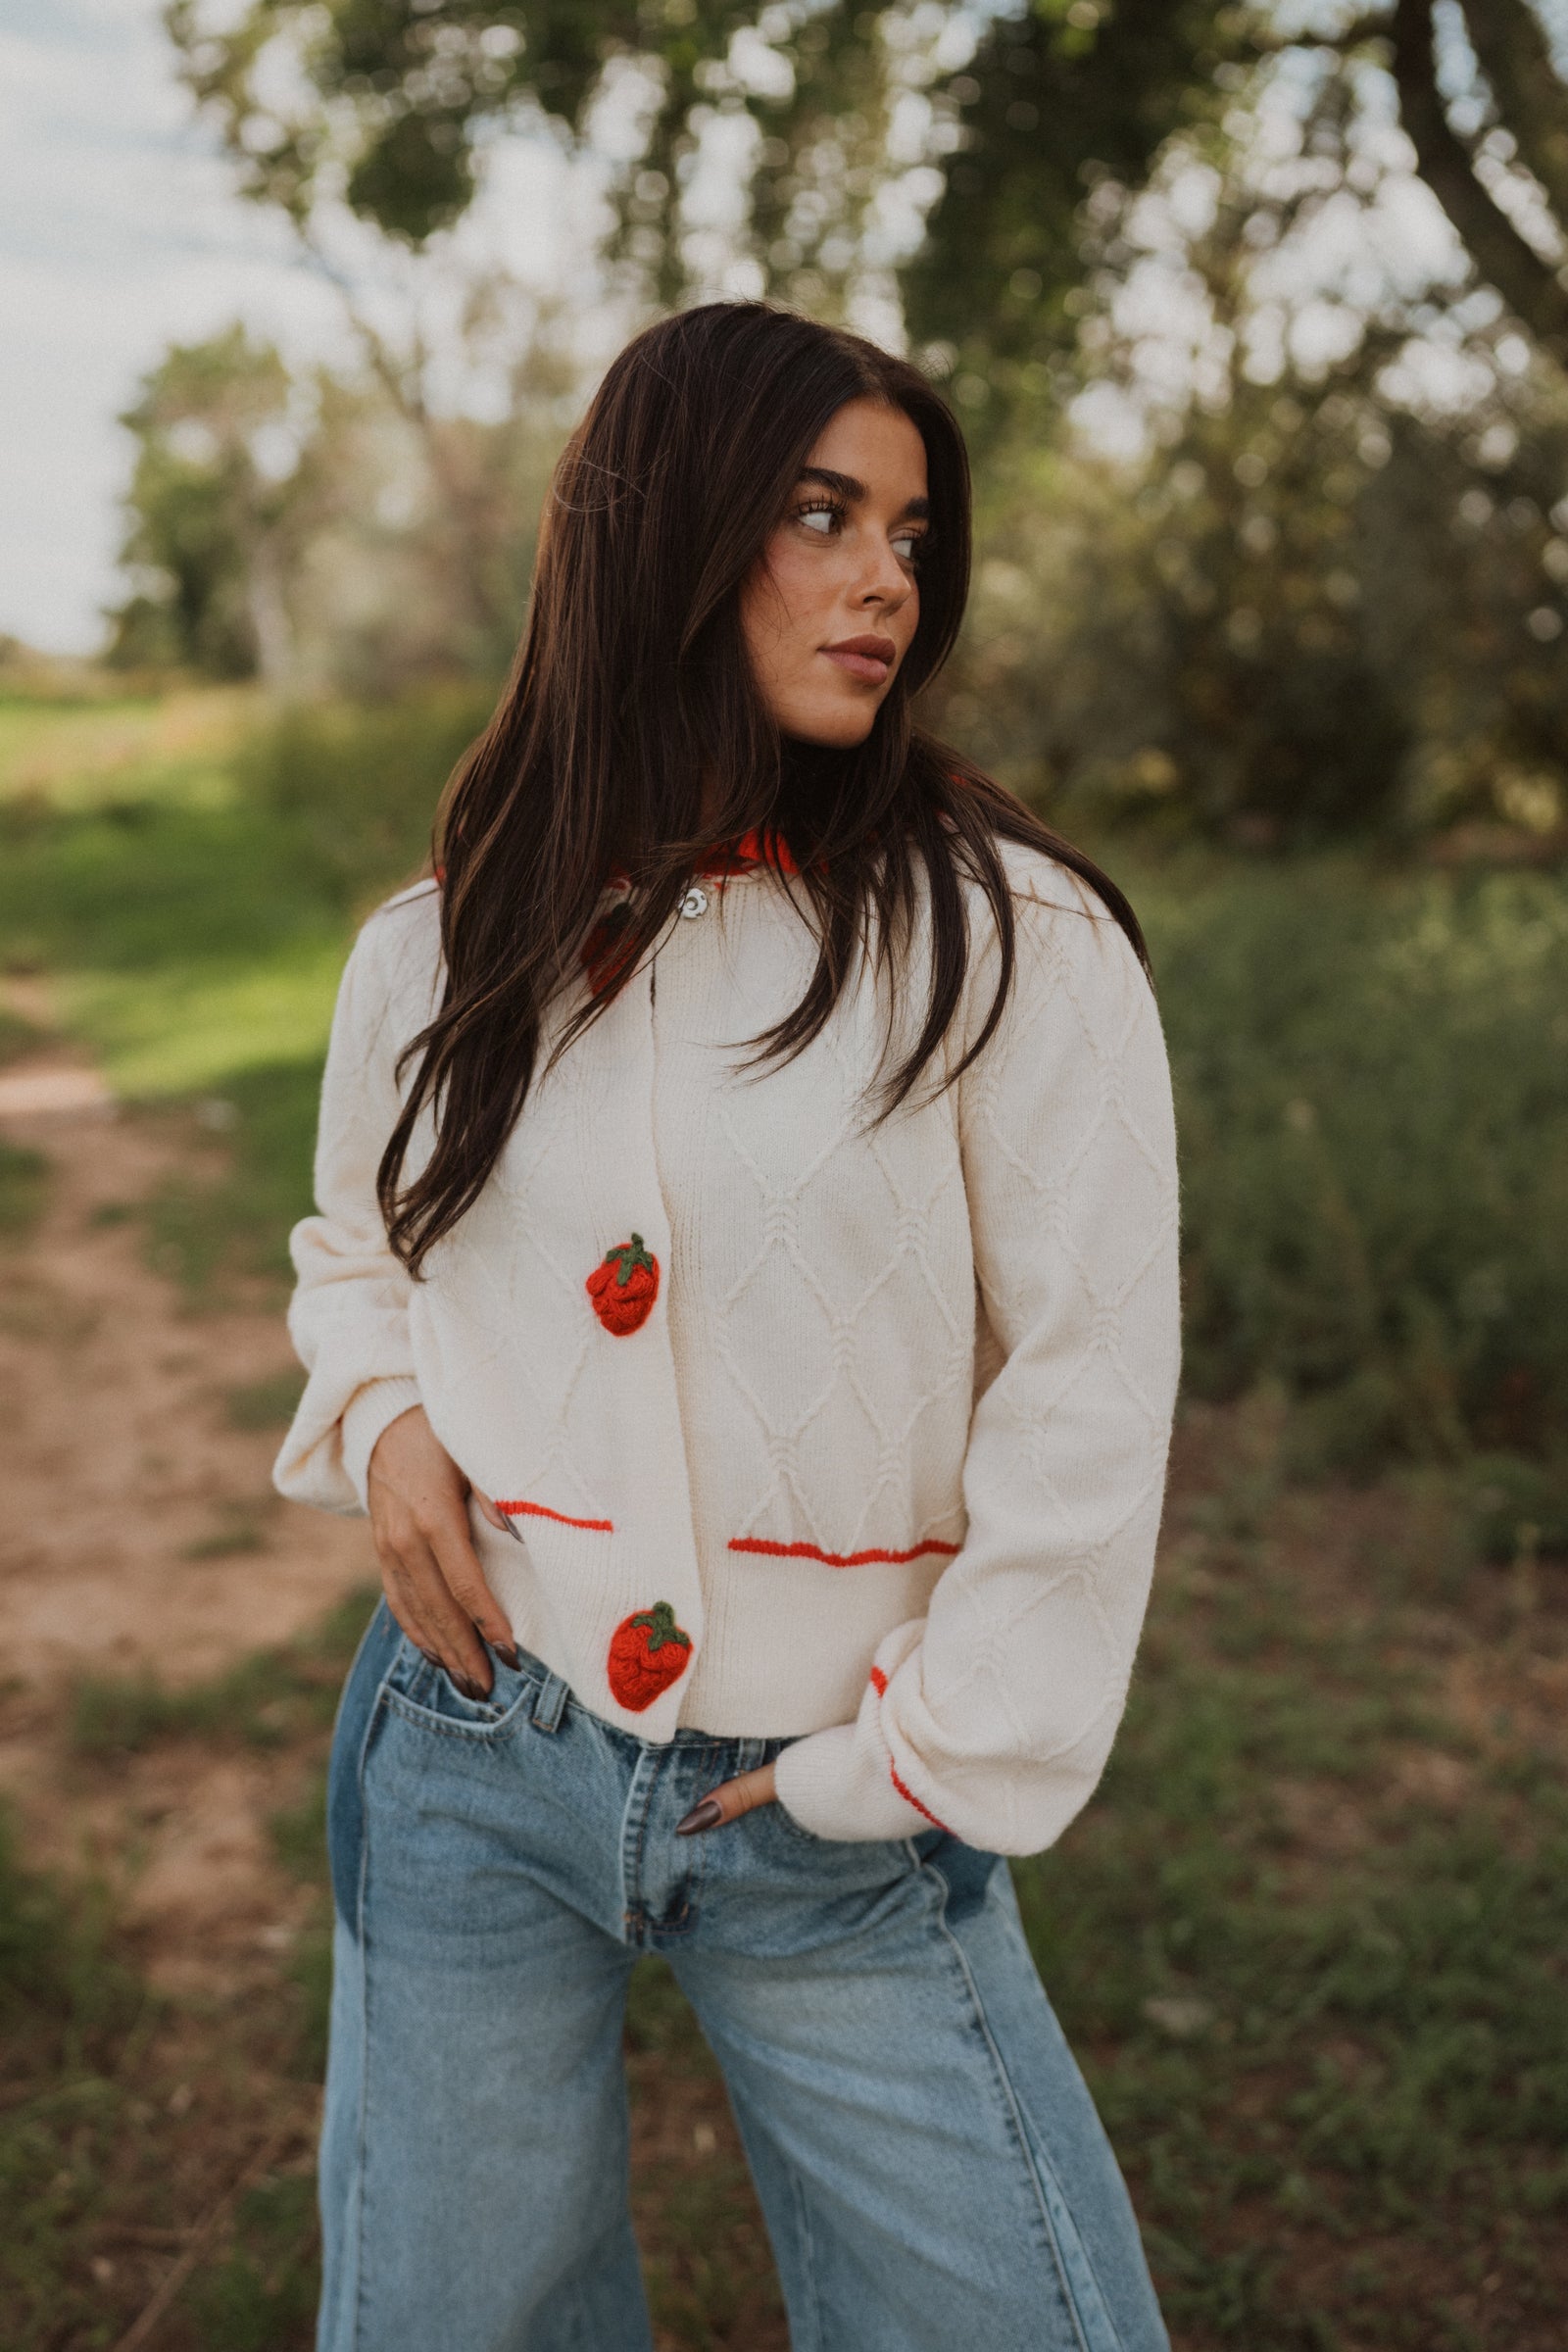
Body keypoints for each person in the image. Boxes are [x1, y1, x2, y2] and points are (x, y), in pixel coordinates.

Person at [275, 300, 1181, 2352]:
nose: (888, 578)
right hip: (466, 1750)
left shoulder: (1006, 938)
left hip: (841, 1800)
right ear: (664, 530)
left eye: (911, 532)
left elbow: (1087, 1387)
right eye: (819, 512)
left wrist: (928, 1759)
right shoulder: (444, 935)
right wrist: (384, 1417)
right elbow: (358, 1247)